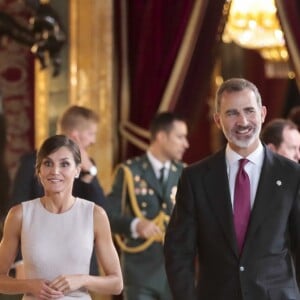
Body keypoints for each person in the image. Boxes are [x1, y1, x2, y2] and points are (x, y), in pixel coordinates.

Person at [164, 78, 300, 300]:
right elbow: (178, 252)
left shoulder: (292, 175)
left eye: (249, 111)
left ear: (263, 113)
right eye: (232, 113)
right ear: (218, 120)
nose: (243, 121)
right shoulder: (195, 178)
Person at [0, 134, 123, 299]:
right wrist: (29, 285)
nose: (55, 171)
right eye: (48, 163)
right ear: (39, 170)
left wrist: (82, 280)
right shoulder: (19, 215)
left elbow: (117, 284)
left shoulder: (95, 215)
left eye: (64, 164)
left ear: (77, 170)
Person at [9, 105, 106, 276]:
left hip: (79, 269)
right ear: (75, 135)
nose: (93, 140)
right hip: (36, 264)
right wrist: (19, 260)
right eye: (91, 133)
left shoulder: (86, 168)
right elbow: (17, 210)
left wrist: (90, 171)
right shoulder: (30, 162)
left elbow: (103, 213)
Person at [106, 112, 189, 300]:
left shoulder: (185, 173)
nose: (186, 144)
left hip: (176, 272)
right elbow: (108, 215)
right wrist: (135, 225)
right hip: (140, 273)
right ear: (161, 136)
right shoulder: (128, 171)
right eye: (180, 137)